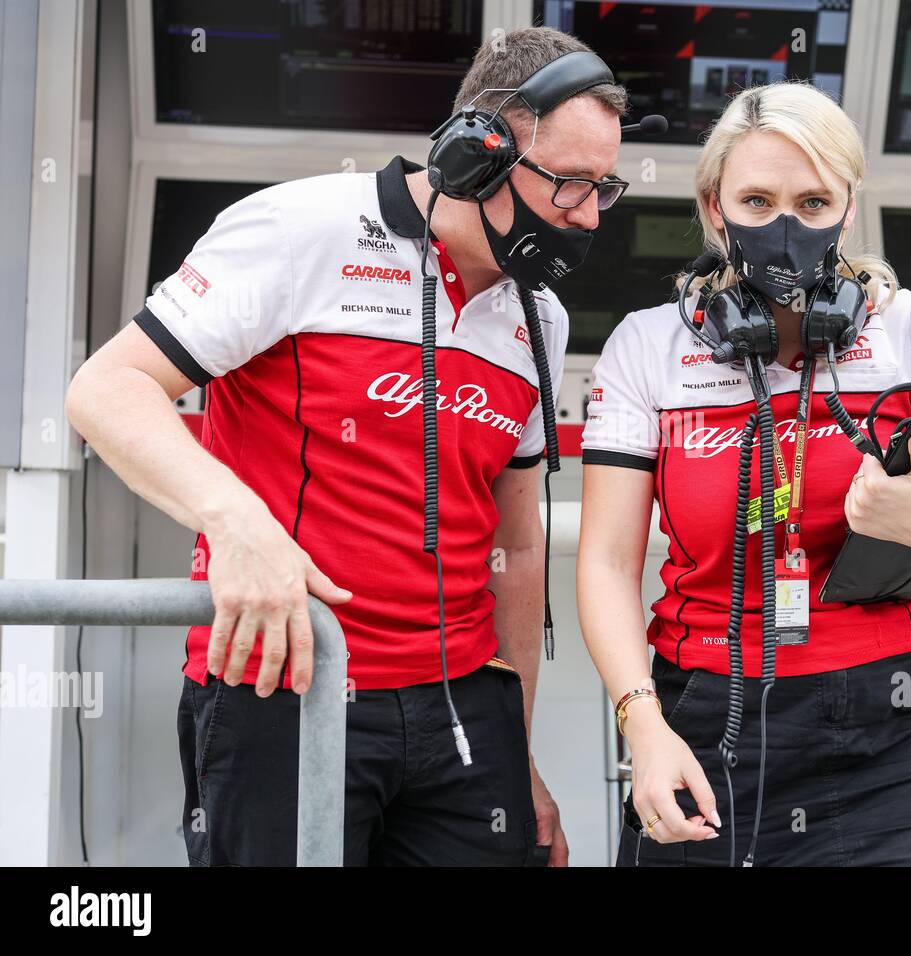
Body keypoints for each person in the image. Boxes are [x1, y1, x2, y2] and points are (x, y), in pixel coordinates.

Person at [64, 27, 628, 866]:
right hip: (285, 684)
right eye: (569, 185)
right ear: (478, 152)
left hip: (464, 710)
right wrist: (238, 524)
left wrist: (522, 758)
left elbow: (515, 541)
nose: (587, 215)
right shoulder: (302, 228)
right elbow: (105, 390)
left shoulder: (538, 314)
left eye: (603, 188)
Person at [576, 81, 911, 866]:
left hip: (888, 729)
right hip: (702, 720)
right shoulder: (646, 346)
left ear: (848, 204)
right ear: (713, 205)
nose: (785, 226)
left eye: (811, 202)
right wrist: (643, 724)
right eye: (757, 201)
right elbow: (604, 562)